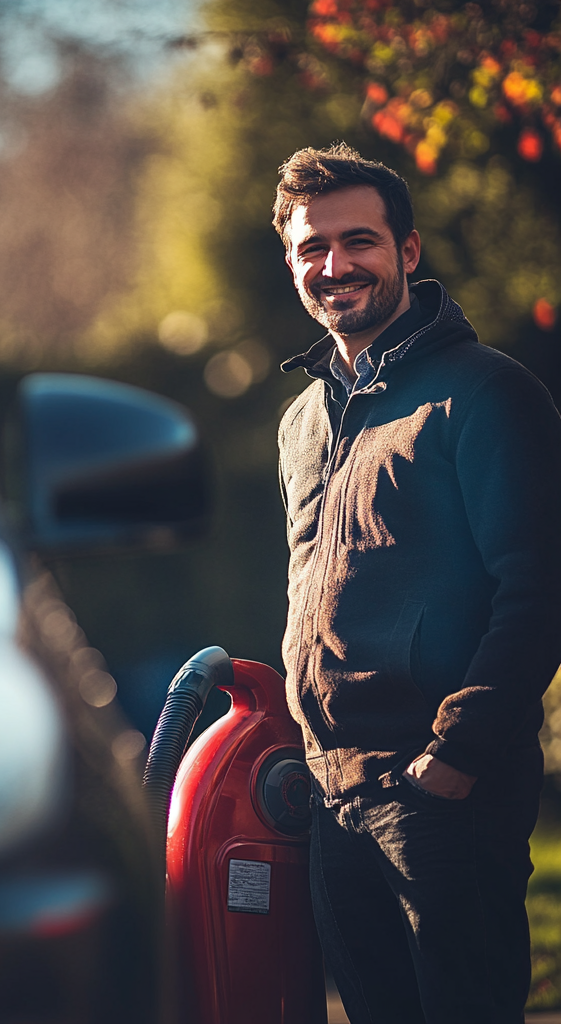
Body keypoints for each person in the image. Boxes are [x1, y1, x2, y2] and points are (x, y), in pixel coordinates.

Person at [272, 142, 561, 1024]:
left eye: (357, 241)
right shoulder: (300, 422)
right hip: (331, 792)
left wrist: (458, 755)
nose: (334, 266)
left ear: (408, 250)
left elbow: (541, 583)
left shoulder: (484, 392)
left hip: (441, 792)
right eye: (310, 249)